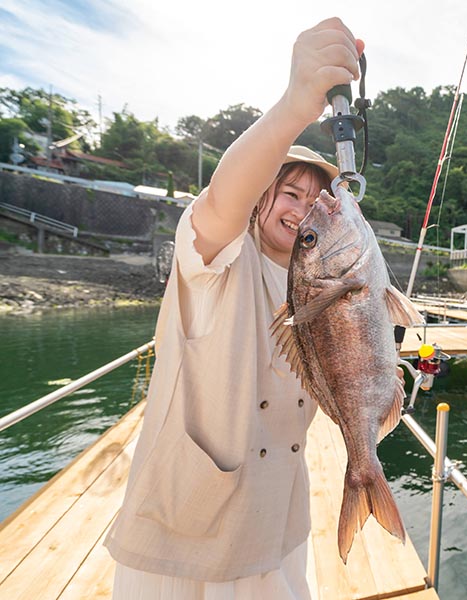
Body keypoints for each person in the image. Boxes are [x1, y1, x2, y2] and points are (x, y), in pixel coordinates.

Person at [103, 17, 365, 599]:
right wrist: (299, 102)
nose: (301, 210)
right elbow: (224, 199)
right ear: (260, 193)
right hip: (187, 522)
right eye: (288, 192)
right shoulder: (220, 252)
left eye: (316, 201)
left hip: (280, 519)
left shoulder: (326, 278)